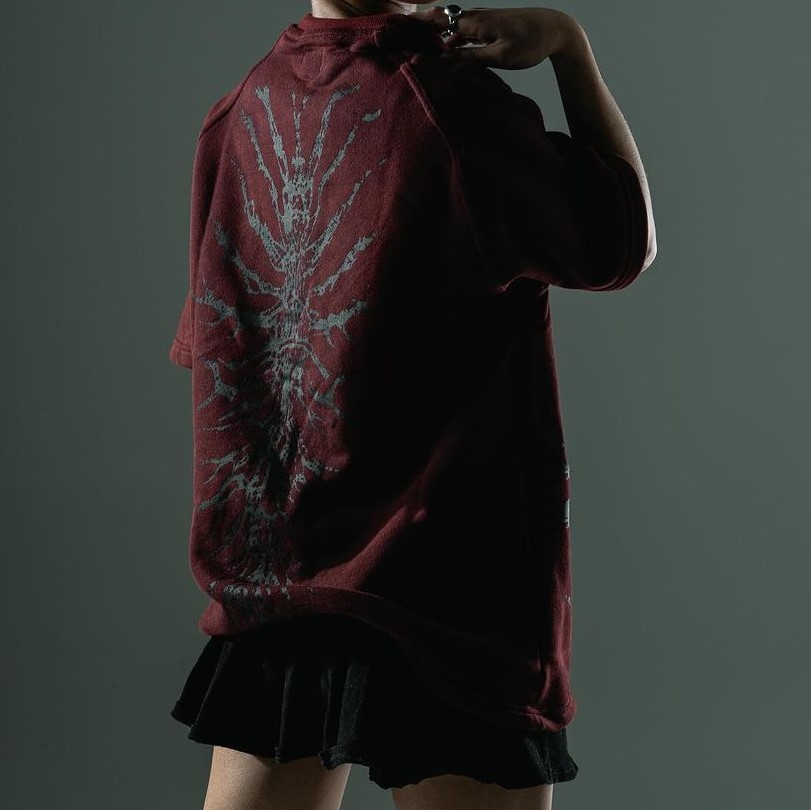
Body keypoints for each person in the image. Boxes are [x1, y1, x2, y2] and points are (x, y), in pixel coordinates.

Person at [167, 2, 657, 809]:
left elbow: (220, 347)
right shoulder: (454, 108)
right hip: (446, 587)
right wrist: (570, 48)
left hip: (281, 575)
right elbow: (622, 244)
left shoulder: (240, 111)